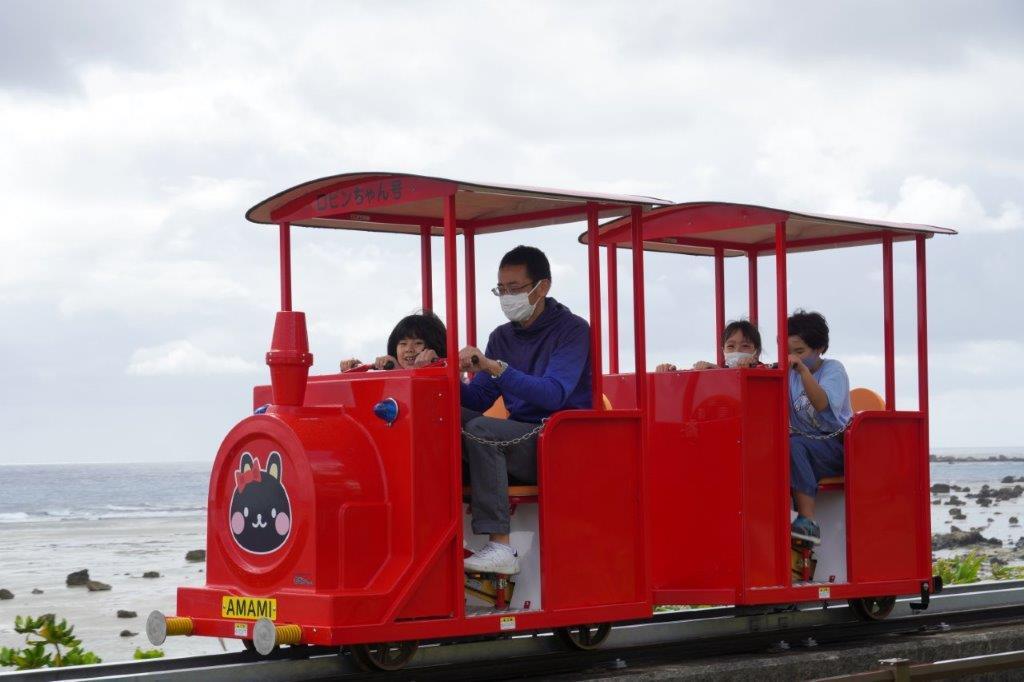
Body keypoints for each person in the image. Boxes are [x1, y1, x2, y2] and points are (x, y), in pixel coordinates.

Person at [458, 245, 592, 575]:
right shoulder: (501, 337)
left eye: (514, 289)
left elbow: (553, 394)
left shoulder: (573, 330)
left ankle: (501, 546)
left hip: (557, 441)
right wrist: (439, 371)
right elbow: (475, 400)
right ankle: (435, 528)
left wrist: (495, 367)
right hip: (517, 439)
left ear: (541, 287)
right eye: (501, 290)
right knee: (443, 418)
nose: (506, 297)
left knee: (482, 430)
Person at [787, 310, 853, 544]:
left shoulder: (833, 370)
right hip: (806, 445)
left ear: (819, 349)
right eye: (788, 352)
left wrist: (803, 372)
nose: (792, 357)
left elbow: (822, 403)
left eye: (800, 351)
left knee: (794, 446)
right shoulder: (787, 375)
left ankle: (807, 520)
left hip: (836, 447)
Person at [339, 311, 446, 371]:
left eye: (418, 343)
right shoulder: (389, 374)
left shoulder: (450, 378)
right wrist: (353, 371)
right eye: (403, 344)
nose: (409, 349)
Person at [655, 320, 763, 372]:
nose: (737, 350)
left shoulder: (766, 371)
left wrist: (751, 368)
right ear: (723, 351)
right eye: (730, 346)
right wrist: (669, 371)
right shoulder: (715, 371)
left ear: (756, 352)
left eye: (745, 346)